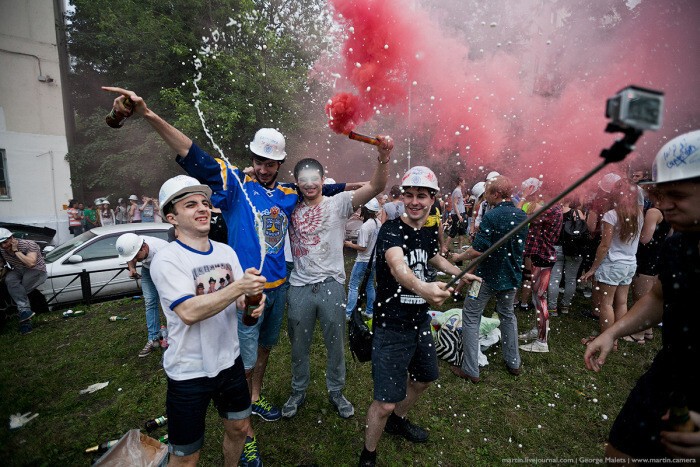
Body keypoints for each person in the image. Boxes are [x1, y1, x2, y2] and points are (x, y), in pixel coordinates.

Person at [102, 87, 348, 454]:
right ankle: (242, 423)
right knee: (243, 359)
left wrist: (373, 184)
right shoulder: (235, 185)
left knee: (265, 350)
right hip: (243, 291)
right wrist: (149, 115)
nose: (264, 168)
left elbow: (330, 188)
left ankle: (255, 397)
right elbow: (192, 154)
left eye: (271, 163)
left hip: (279, 288)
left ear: (279, 164)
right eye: (259, 161)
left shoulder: (288, 191)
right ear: (251, 158)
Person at [583, 130, 700, 464]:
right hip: (669, 376)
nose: (663, 205)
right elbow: (660, 296)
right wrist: (612, 332)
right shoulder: (680, 244)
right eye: (660, 194)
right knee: (619, 453)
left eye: (677, 194)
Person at [359, 166, 478, 467]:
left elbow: (433, 255)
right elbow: (399, 267)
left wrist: (459, 273)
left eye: (421, 196)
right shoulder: (390, 231)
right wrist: (423, 287)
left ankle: (399, 421)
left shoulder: (425, 231)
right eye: (409, 195)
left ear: (433, 198)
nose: (414, 202)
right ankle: (368, 455)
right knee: (384, 402)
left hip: (420, 322)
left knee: (425, 379)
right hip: (392, 325)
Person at [149, 175, 267, 466]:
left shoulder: (226, 252)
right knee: (187, 456)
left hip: (230, 361)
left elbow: (240, 303)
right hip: (188, 371)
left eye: (205, 202)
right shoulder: (167, 259)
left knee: (239, 428)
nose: (203, 208)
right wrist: (239, 288)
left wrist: (253, 302)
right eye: (190, 205)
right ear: (171, 217)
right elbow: (189, 312)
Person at [284, 139, 392, 420]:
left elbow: (376, 187)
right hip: (299, 286)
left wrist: (383, 158)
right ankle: (298, 390)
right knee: (299, 345)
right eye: (303, 179)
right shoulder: (289, 206)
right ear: (296, 181)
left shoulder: (339, 203)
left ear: (322, 179)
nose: (309, 184)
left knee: (335, 343)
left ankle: (336, 391)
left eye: (314, 178)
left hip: (331, 285)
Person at [450, 175, 527, 383]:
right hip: (511, 275)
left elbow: (478, 250)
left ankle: (470, 369)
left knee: (471, 315)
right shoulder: (521, 215)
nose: (485, 197)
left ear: (496, 194)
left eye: (488, 193)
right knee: (507, 315)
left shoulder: (492, 217)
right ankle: (514, 362)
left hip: (485, 276)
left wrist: (459, 257)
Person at [580, 177, 643, 347]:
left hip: (613, 264)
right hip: (630, 263)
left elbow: (605, 245)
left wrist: (593, 268)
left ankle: (608, 341)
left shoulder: (611, 215)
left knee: (606, 303)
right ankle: (616, 337)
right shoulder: (639, 214)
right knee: (621, 302)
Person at [518, 187, 563, 353]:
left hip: (543, 258)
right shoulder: (555, 207)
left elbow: (520, 217)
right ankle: (538, 331)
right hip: (542, 256)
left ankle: (542, 342)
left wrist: (523, 197)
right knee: (537, 299)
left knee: (540, 299)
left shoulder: (549, 209)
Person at [116, 233, 169, 357]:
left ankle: (175, 336)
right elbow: (130, 257)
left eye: (136, 257)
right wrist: (132, 268)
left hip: (165, 269)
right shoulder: (133, 243)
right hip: (147, 270)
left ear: (144, 247)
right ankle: (153, 338)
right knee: (150, 301)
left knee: (168, 302)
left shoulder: (162, 250)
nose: (135, 259)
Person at [0, 228, 47, 335]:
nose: (3, 246)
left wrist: (16, 251)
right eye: (0, 244)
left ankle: (25, 318)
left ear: (11, 238)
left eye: (5, 242)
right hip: (18, 270)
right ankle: (25, 313)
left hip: (36, 270)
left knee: (20, 291)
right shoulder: (1, 249)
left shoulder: (29, 244)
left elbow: (31, 263)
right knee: (10, 279)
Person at [546, 197, 586, 315]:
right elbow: (584, 229)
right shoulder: (577, 213)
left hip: (557, 247)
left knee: (554, 278)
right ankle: (565, 306)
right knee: (571, 279)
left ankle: (552, 308)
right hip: (573, 250)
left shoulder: (553, 212)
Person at [344, 198, 382, 320]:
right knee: (370, 285)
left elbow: (362, 247)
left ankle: (348, 314)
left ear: (365, 210)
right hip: (373, 260)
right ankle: (370, 311)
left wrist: (349, 244)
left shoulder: (366, 227)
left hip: (363, 260)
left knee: (353, 285)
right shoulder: (378, 223)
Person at [446, 177, 467, 253]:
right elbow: (455, 204)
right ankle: (445, 248)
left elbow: (458, 202)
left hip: (461, 213)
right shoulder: (457, 191)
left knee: (461, 232)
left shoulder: (459, 191)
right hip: (458, 214)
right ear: (460, 182)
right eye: (464, 181)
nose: (464, 183)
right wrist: (459, 215)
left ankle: (460, 248)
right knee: (453, 232)